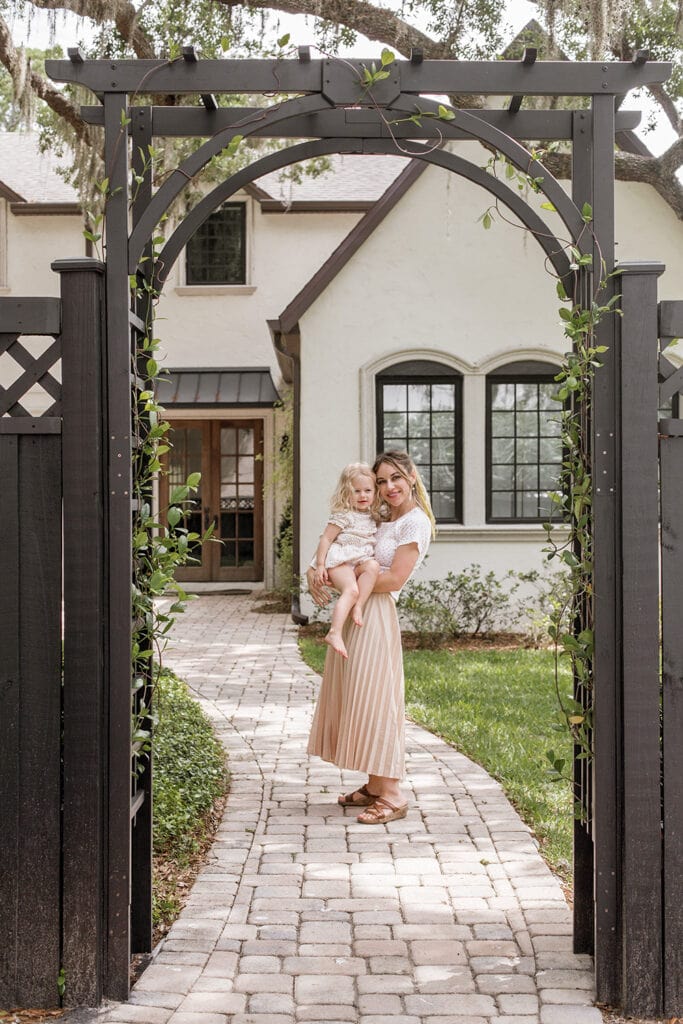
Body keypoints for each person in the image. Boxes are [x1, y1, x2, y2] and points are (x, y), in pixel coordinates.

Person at [306, 450, 435, 825]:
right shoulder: (378, 517)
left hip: (376, 613)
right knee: (358, 697)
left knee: (379, 700)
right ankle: (376, 785)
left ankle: (393, 794)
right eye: (381, 481)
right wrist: (320, 570)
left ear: (411, 476)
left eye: (395, 478)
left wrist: (343, 576)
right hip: (356, 613)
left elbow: (395, 578)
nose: (388, 487)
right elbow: (341, 543)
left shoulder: (414, 523)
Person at [312, 462, 381, 660]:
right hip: (340, 560)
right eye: (356, 491)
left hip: (360, 561)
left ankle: (358, 606)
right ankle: (334, 632)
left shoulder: (371, 515)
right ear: (346, 492)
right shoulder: (344, 515)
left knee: (373, 567)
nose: (363, 496)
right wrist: (320, 565)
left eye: (368, 490)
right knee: (350, 590)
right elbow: (326, 538)